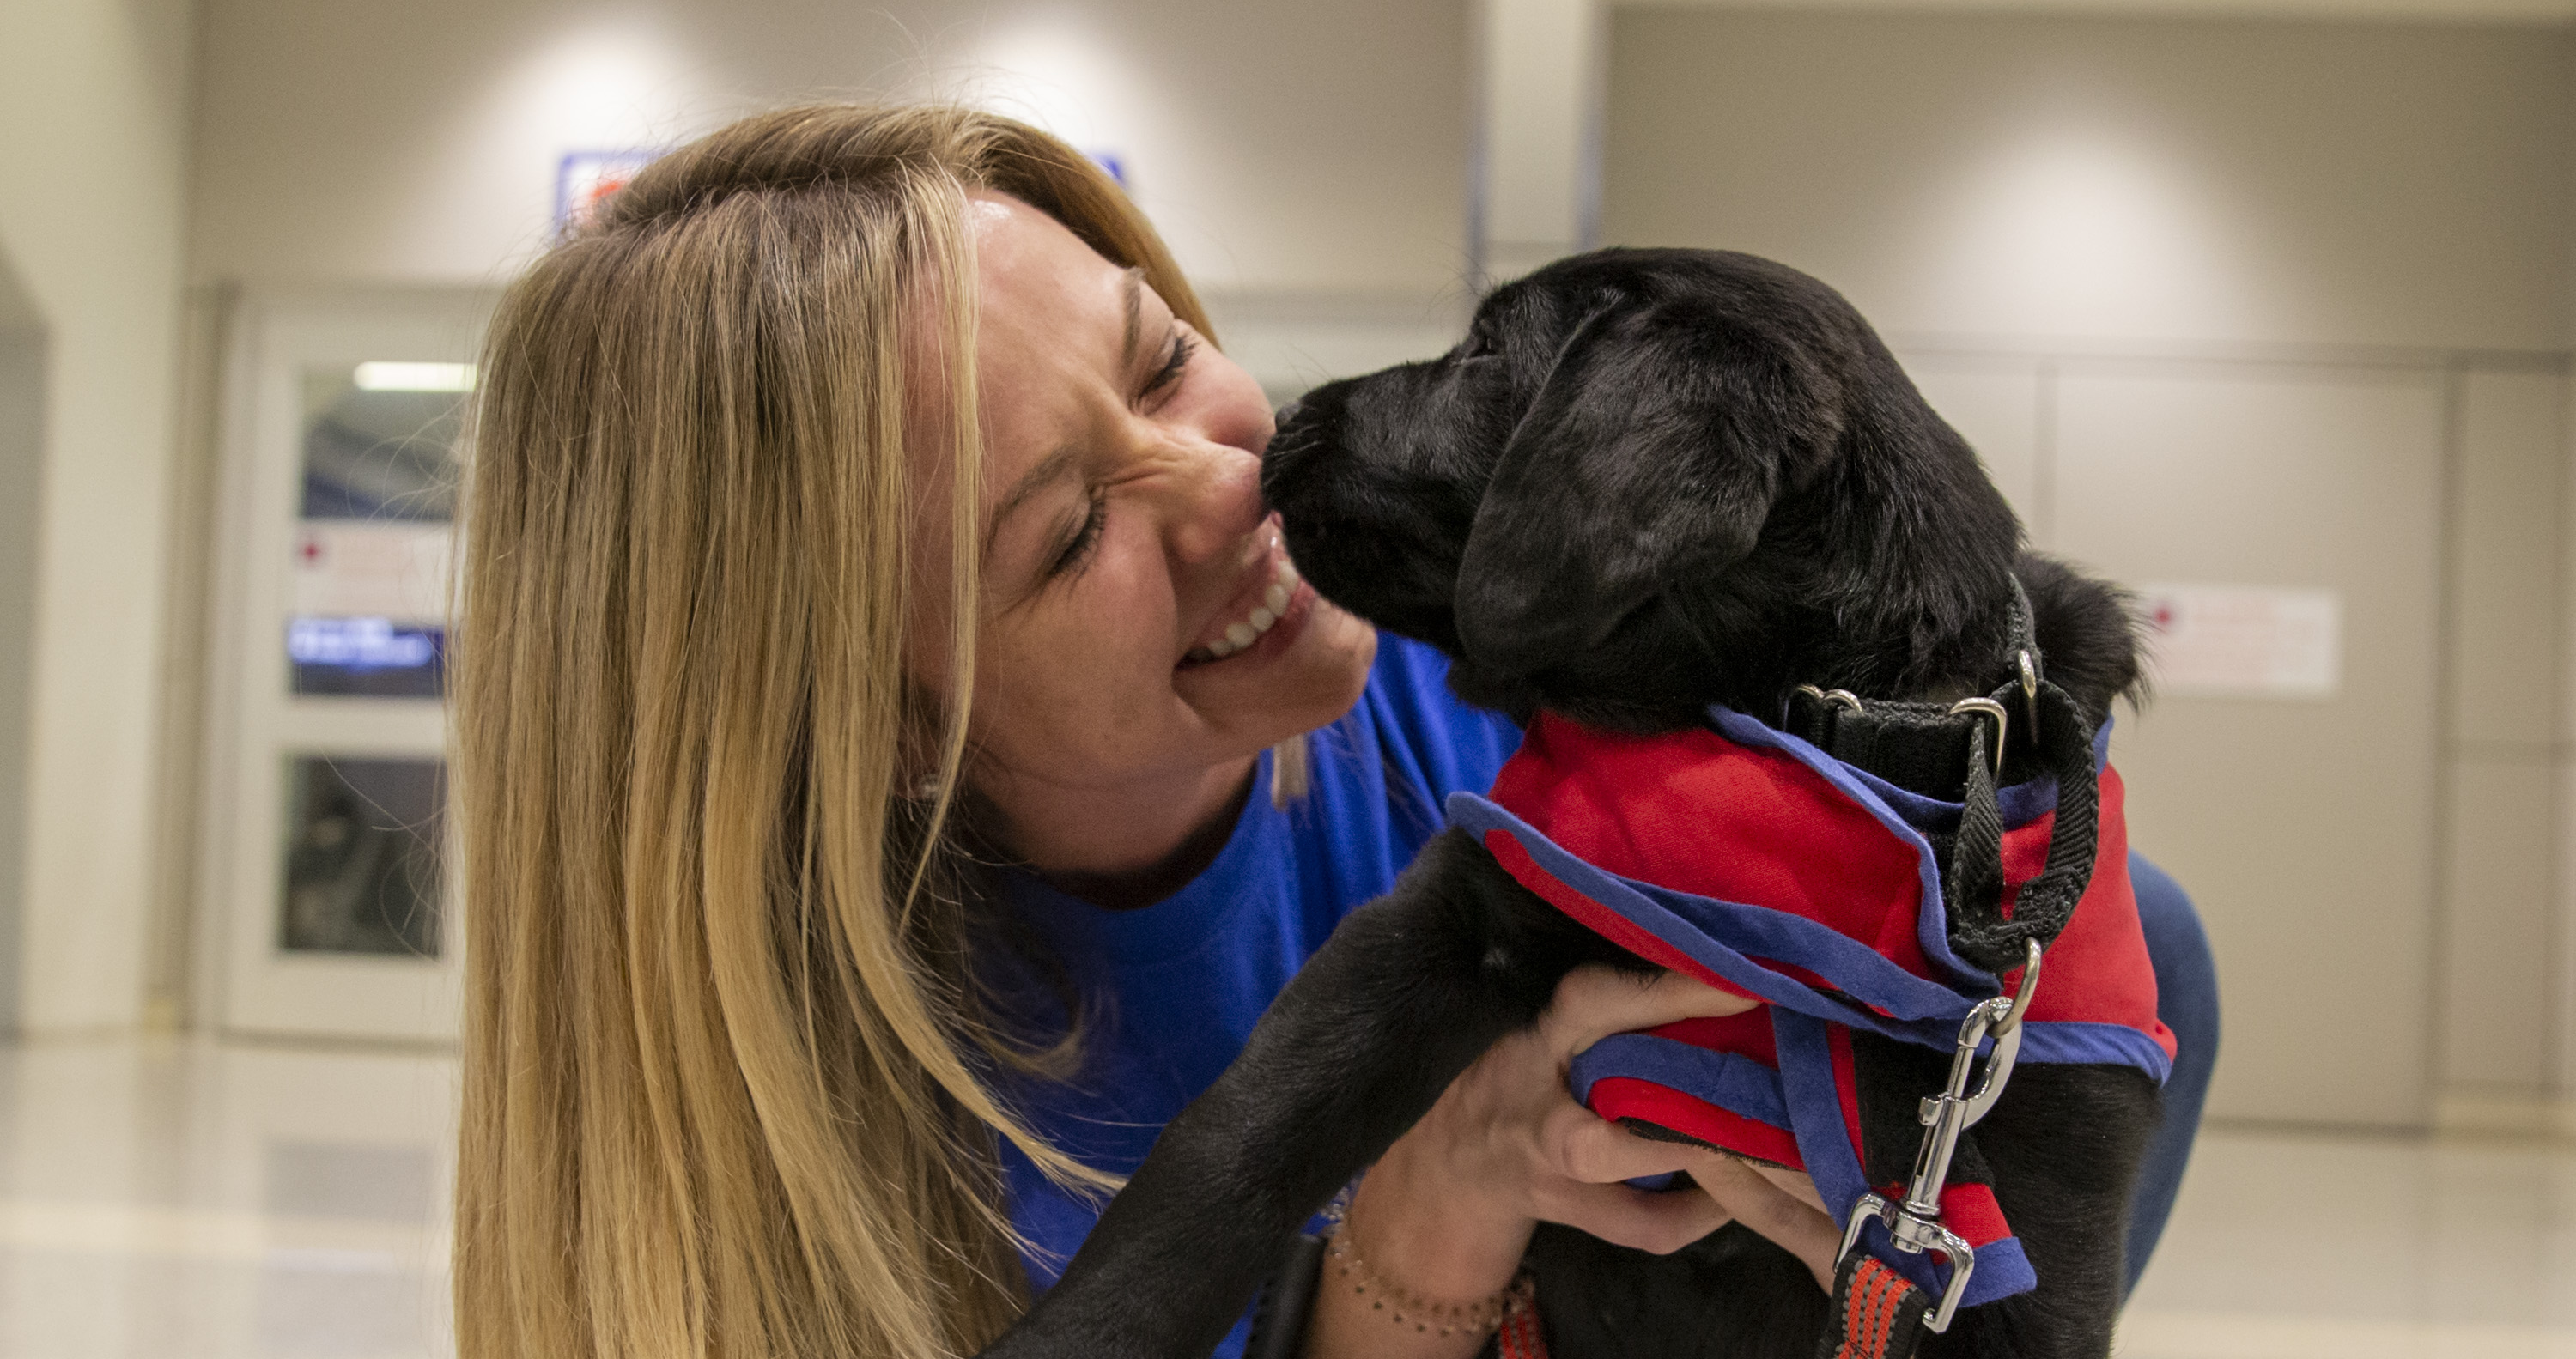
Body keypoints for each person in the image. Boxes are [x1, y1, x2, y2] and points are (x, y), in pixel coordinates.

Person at [452, 102, 2216, 1359]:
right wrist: (1424, 1226)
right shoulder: (843, 1124)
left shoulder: (1539, 693)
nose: (1229, 484)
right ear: (879, 736)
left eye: (1160, 363)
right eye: (1068, 537)